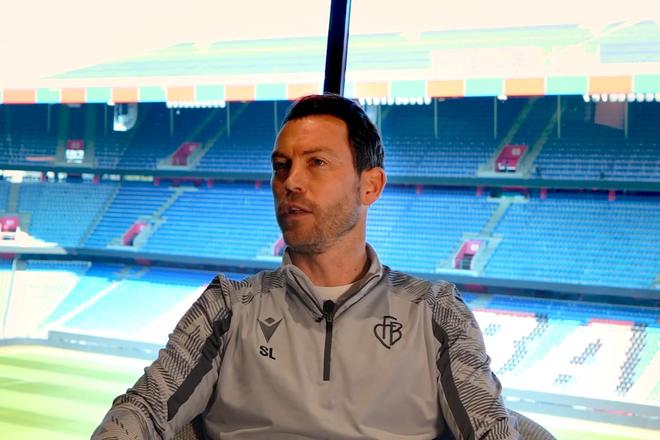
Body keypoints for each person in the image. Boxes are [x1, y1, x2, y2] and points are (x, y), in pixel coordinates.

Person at [92, 94, 520, 440]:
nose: (291, 182)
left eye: (316, 162)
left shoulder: (436, 312)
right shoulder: (227, 307)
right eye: (282, 166)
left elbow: (490, 429)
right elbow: (142, 410)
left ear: (370, 185)